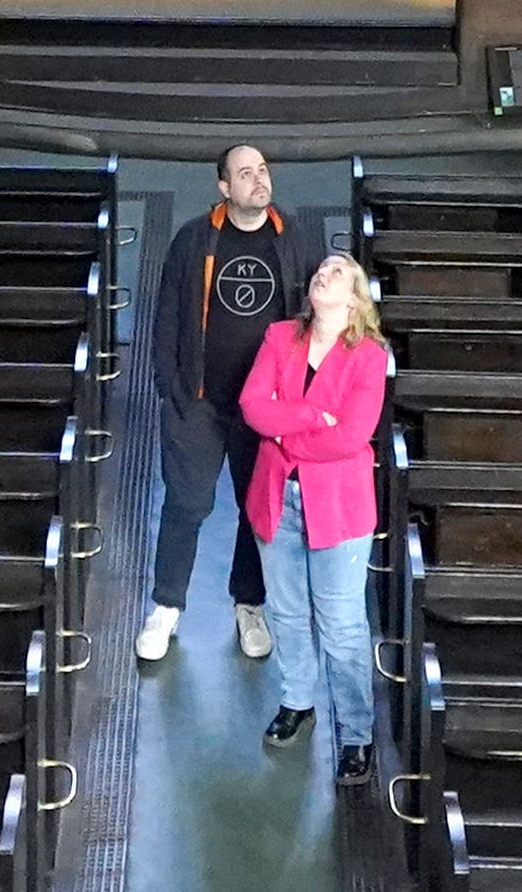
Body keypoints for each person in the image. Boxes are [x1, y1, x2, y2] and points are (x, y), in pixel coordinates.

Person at [137, 142, 326, 664]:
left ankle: (249, 604)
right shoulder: (194, 239)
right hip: (199, 401)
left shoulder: (295, 238)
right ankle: (166, 608)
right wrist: (169, 385)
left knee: (256, 509)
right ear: (224, 188)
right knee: (187, 504)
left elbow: (317, 311)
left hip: (265, 407)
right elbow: (168, 315)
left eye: (262, 170)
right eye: (245, 173)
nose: (258, 180)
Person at [239, 250, 390, 784]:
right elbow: (253, 405)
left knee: (342, 624)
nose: (323, 275)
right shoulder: (280, 337)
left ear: (354, 299)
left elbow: (352, 436)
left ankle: (356, 733)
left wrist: (284, 436)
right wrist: (304, 419)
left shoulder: (369, 356)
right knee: (286, 611)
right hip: (278, 498)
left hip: (339, 508)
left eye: (337, 273)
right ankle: (297, 700)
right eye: (322, 269)